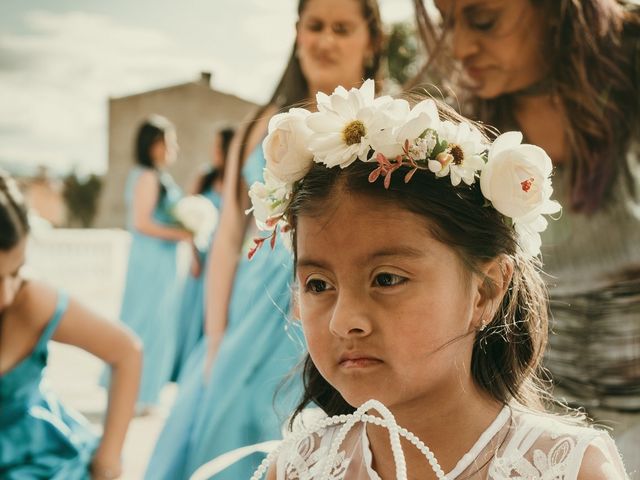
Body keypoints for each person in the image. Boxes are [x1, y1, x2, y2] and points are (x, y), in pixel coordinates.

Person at [241, 82, 630, 479]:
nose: (345, 321)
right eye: (318, 285)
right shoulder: (295, 469)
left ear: (486, 290)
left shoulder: (568, 469)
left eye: (387, 279)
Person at [144, 1, 385, 478]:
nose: (326, 40)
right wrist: (215, 339)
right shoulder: (260, 126)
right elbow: (230, 234)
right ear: (297, 33)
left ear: (372, 39)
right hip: (257, 310)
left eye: (342, 28)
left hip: (348, 301)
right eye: (315, 26)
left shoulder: (389, 122)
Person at [411, 0, 640, 474]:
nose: (459, 46)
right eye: (446, 22)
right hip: (539, 433)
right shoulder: (454, 134)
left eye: (484, 19)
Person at [0, 170, 142, 480]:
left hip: (49, 466)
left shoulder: (31, 298)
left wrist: (108, 461)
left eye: (16, 271)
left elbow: (127, 352)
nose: (6, 294)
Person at [103, 115, 193, 412]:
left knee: (160, 325)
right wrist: (182, 233)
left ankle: (144, 392)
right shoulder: (146, 176)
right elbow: (141, 223)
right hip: (150, 260)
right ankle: (135, 393)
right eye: (168, 141)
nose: (173, 147)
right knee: (145, 322)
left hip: (162, 261)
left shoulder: (155, 175)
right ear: (152, 145)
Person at [172, 126, 234, 381]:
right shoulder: (204, 177)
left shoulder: (238, 180)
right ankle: (188, 372)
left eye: (220, 147)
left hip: (225, 259)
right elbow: (185, 218)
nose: (215, 152)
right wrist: (194, 255)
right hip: (202, 257)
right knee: (193, 313)